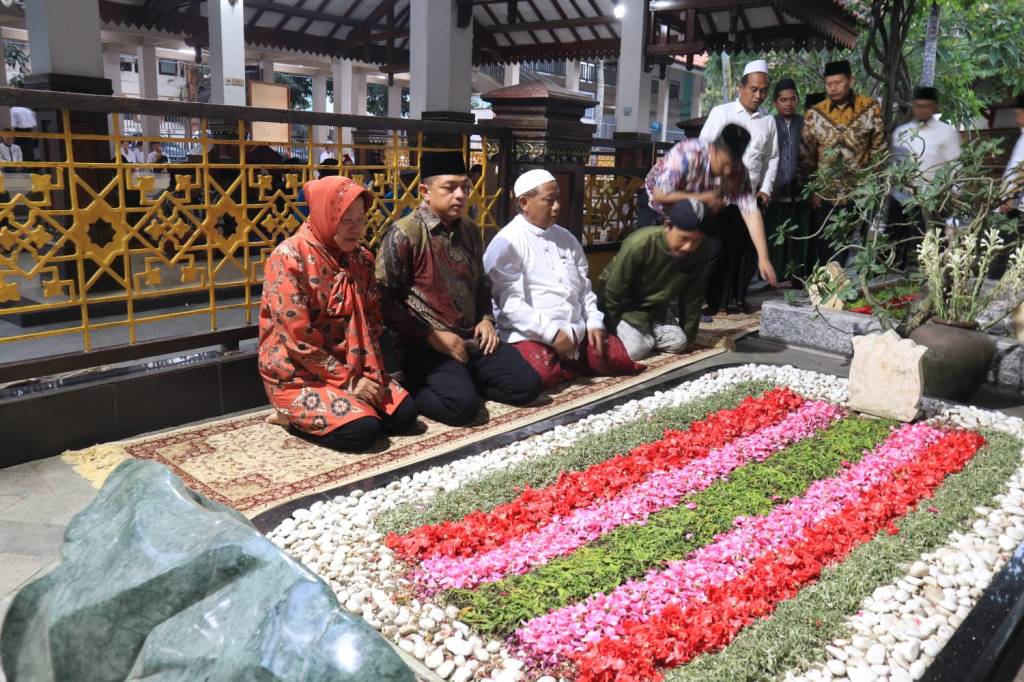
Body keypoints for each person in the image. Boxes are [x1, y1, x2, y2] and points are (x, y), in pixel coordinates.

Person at [375, 151, 542, 426]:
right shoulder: (405, 234)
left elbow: (480, 283)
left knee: (528, 387)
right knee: (461, 409)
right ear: (425, 192)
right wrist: (430, 335)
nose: (460, 195)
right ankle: (418, 387)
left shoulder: (470, 230)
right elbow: (383, 301)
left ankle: (464, 379)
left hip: (471, 338)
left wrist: (487, 320)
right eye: (450, 188)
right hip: (425, 345)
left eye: (464, 187)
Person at [258, 175, 418, 453]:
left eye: (360, 219)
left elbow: (372, 322)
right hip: (298, 373)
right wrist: (349, 381)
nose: (356, 229)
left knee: (405, 416)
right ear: (323, 215)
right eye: (346, 219)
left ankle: (356, 407)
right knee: (363, 432)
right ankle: (288, 417)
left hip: (354, 366)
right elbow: (299, 341)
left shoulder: (361, 259)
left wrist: (368, 373)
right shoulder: (288, 258)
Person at [484, 169, 644, 389]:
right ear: (524, 202)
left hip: (576, 328)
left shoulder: (566, 238)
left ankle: (571, 362)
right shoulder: (506, 243)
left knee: (618, 358)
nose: (557, 206)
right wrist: (552, 334)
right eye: (549, 201)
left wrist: (594, 323)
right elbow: (511, 305)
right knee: (539, 375)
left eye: (558, 199)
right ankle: (572, 363)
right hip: (531, 333)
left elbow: (584, 289)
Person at [646, 124, 778, 313]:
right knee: (659, 250)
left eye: (732, 165)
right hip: (658, 202)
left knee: (712, 249)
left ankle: (691, 304)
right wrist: (702, 197)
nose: (726, 171)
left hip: (698, 210)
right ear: (713, 150)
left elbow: (750, 212)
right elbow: (660, 194)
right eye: (723, 164)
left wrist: (763, 258)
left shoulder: (738, 171)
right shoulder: (688, 153)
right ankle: (655, 304)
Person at [699, 59, 779, 314]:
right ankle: (711, 301)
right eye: (753, 89)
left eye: (763, 91)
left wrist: (766, 188)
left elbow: (772, 157)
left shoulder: (768, 121)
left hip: (748, 192)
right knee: (717, 250)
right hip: (717, 196)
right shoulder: (721, 113)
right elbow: (704, 150)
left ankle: (737, 299)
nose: (758, 95)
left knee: (743, 252)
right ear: (740, 88)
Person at [597, 200, 718, 361]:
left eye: (696, 241)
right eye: (683, 238)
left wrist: (689, 337)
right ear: (667, 225)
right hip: (625, 307)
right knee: (635, 351)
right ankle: (642, 335)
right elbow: (613, 290)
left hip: (656, 308)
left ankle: (646, 332)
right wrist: (609, 330)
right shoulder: (639, 243)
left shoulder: (702, 250)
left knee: (679, 343)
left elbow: (693, 297)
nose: (688, 247)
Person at [799, 59, 885, 273]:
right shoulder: (815, 113)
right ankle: (826, 292)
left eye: (838, 82)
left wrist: (871, 186)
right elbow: (806, 156)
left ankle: (842, 290)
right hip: (825, 194)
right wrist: (810, 191)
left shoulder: (869, 108)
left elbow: (879, 149)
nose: (833, 88)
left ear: (850, 80)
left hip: (858, 192)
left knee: (850, 247)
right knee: (825, 248)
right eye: (829, 83)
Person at [889, 86, 962, 266]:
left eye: (927, 106)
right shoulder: (901, 132)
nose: (922, 110)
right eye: (918, 105)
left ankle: (933, 281)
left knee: (931, 244)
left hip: (933, 197)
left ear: (935, 107)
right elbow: (894, 165)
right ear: (913, 106)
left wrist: (954, 195)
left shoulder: (947, 132)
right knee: (894, 241)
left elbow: (956, 165)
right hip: (902, 197)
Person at [765, 77, 809, 283]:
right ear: (775, 102)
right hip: (774, 193)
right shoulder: (769, 124)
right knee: (776, 238)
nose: (788, 103)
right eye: (783, 100)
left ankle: (797, 278)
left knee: (800, 239)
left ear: (797, 100)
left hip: (801, 193)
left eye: (792, 99)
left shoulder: (806, 123)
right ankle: (774, 279)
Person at [999, 94, 1024, 217]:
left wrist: (1013, 202)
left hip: (1018, 208)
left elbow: (1022, 173)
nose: (1016, 119)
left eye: (1017, 114)